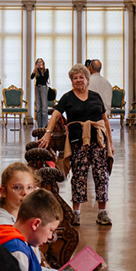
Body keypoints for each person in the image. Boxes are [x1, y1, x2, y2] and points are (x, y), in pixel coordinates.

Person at [43, 65, 113, 226]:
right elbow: (55, 116)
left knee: (101, 175)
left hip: (98, 141)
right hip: (77, 142)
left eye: (81, 77)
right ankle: (76, 213)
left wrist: (110, 141)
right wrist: (48, 132)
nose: (78, 80)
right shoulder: (67, 98)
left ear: (87, 80)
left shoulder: (96, 96)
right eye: (75, 78)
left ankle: (102, 213)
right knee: (79, 176)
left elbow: (105, 120)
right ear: (72, 81)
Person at [0, 162, 38, 243]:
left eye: (29, 187)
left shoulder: (27, 220)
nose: (25, 192)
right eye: (17, 187)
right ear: (3, 192)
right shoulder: (0, 227)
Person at [30, 58, 51, 132]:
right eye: (38, 63)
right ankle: (39, 126)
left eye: (40, 62)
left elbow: (45, 79)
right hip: (37, 88)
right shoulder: (36, 71)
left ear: (43, 63)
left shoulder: (46, 70)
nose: (39, 64)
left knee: (44, 108)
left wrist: (42, 70)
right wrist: (35, 69)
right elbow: (31, 77)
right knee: (38, 108)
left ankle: (45, 126)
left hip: (43, 87)